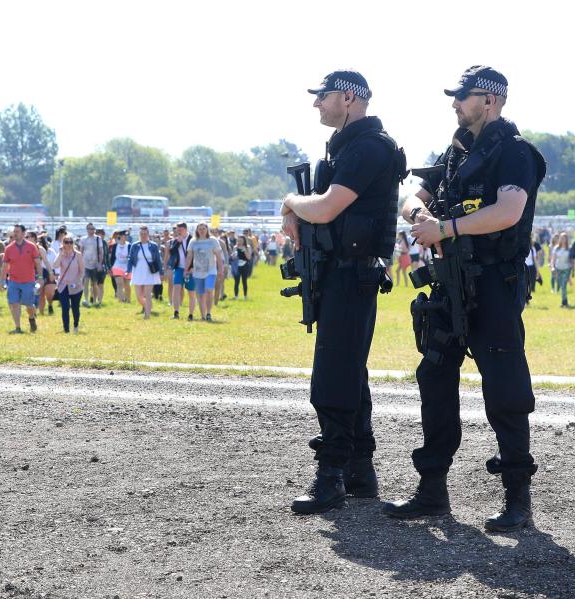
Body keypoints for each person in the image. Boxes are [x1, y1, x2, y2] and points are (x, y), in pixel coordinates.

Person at [388, 66, 547, 532]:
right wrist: (421, 214)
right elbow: (411, 197)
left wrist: (446, 228)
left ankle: (518, 498)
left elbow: (508, 210)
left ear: (490, 101)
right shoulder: (455, 153)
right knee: (434, 379)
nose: (455, 103)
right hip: (448, 282)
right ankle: (432, 490)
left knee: (505, 388)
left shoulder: (515, 152)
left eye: (463, 96)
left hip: (494, 283)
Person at [282, 70, 404, 514]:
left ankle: (331, 474)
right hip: (343, 271)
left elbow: (329, 205)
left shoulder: (370, 146)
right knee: (349, 371)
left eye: (324, 96)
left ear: (349, 99)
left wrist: (291, 203)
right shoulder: (350, 146)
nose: (317, 104)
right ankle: (359, 471)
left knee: (333, 373)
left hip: (353, 273)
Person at [0, 224, 43, 334]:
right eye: (14, 231)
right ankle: (18, 327)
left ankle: (32, 317)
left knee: (29, 305)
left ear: (23, 233)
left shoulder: (32, 246)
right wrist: (2, 281)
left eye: (17, 231)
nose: (15, 233)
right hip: (13, 281)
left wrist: (41, 278)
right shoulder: (9, 248)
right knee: (14, 303)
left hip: (28, 281)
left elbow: (38, 263)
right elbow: (4, 266)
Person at [185, 223, 224, 322]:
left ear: (207, 230)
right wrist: (186, 269)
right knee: (200, 293)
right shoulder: (193, 241)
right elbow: (189, 256)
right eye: (200, 229)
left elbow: (218, 256)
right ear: (197, 230)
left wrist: (221, 270)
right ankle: (203, 315)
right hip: (197, 272)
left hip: (210, 270)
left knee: (209, 290)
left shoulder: (213, 241)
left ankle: (208, 313)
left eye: (204, 229)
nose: (202, 230)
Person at [128, 226, 164, 320]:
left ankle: (147, 315)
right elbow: (130, 258)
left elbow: (158, 259)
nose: (143, 236)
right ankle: (148, 306)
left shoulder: (153, 246)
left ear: (148, 234)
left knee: (148, 294)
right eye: (141, 234)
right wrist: (128, 270)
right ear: (139, 235)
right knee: (139, 296)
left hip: (150, 272)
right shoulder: (135, 245)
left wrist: (161, 272)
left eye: (145, 234)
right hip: (138, 271)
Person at [54, 234, 84, 333]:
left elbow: (82, 271)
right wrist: (60, 253)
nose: (69, 244)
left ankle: (75, 325)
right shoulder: (61, 255)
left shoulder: (78, 255)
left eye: (71, 242)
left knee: (75, 307)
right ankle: (66, 329)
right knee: (65, 308)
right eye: (66, 242)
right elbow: (55, 265)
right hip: (63, 286)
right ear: (63, 244)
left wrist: (77, 281)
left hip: (76, 286)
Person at [168, 222, 196, 319]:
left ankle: (191, 314)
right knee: (176, 287)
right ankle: (176, 312)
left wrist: (192, 268)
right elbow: (171, 252)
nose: (178, 232)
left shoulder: (192, 239)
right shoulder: (176, 240)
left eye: (180, 230)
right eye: (177, 230)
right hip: (179, 268)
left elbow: (196, 255)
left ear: (185, 229)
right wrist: (178, 242)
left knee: (191, 292)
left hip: (191, 269)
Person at [79, 223, 105, 308]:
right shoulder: (83, 239)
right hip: (85, 263)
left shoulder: (98, 239)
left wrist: (100, 263)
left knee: (94, 283)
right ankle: (86, 299)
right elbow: (81, 251)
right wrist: (80, 263)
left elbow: (101, 252)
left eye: (92, 229)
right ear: (87, 229)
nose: (91, 230)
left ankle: (94, 300)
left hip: (95, 264)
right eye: (89, 229)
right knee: (85, 281)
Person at [551, 232, 573, 307]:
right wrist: (552, 267)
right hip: (558, 269)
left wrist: (572, 271)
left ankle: (564, 302)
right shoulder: (556, 248)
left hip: (567, 268)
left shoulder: (569, 248)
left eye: (565, 238)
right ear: (560, 239)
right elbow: (553, 259)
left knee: (563, 285)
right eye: (562, 238)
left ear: (567, 239)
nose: (563, 239)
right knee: (560, 285)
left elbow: (571, 260)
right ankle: (564, 301)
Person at [109, 230, 132, 303]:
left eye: (126, 235)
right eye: (124, 235)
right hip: (117, 266)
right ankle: (120, 300)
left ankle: (128, 300)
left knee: (127, 285)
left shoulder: (129, 246)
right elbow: (112, 258)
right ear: (120, 237)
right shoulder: (115, 246)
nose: (126, 237)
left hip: (127, 267)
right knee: (119, 283)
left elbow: (131, 258)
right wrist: (110, 268)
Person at [231, 234, 252, 300]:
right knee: (236, 282)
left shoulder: (247, 247)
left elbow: (249, 258)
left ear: (244, 241)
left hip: (245, 266)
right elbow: (233, 257)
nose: (239, 242)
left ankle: (245, 296)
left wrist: (245, 250)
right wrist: (233, 255)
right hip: (237, 266)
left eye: (241, 240)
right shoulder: (235, 247)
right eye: (238, 240)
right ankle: (236, 296)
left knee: (244, 281)